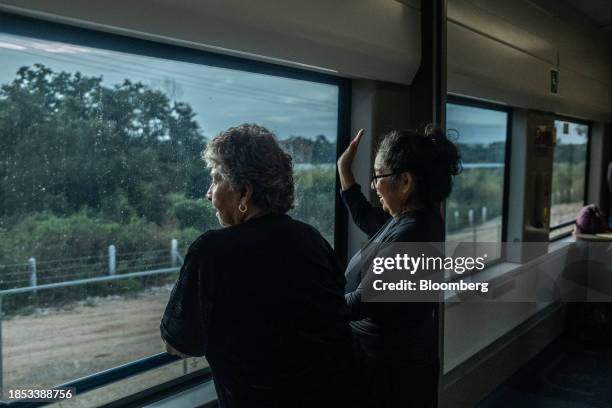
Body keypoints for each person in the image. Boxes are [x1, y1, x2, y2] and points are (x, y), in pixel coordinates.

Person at [161, 124, 356, 408]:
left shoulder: (212, 251)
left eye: (215, 180)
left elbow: (178, 342)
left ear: (244, 193)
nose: (208, 194)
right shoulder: (312, 240)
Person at [338, 127, 461, 408]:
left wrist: (307, 301)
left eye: (377, 176)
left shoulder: (413, 233)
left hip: (391, 376)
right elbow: (368, 221)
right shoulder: (413, 219)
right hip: (392, 366)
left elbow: (359, 303)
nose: (374, 186)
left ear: (405, 182)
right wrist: (344, 170)